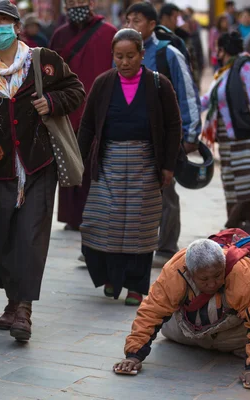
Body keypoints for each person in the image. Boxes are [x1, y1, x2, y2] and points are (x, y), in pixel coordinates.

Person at [0, 1, 85, 341]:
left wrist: (51, 103)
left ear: (17, 26)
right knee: (2, 236)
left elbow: (76, 90)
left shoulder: (42, 60)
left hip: (38, 164)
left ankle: (24, 310)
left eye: (2, 21)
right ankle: (11, 301)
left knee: (31, 236)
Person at [113, 232, 250, 390]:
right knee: (166, 325)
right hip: (186, 331)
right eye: (204, 280)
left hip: (231, 334)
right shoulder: (174, 271)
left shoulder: (243, 275)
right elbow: (151, 311)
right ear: (190, 273)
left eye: (217, 276)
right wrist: (133, 355)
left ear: (223, 265)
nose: (212, 283)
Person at [77, 29, 182, 306]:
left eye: (130, 56)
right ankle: (111, 278)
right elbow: (87, 125)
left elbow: (173, 126)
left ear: (141, 54)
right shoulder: (102, 83)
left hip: (145, 164)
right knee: (100, 224)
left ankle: (136, 287)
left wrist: (168, 166)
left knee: (139, 228)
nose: (124, 62)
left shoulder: (159, 85)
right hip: (109, 162)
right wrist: (79, 160)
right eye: (119, 56)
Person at [125, 2, 202, 268]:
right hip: (132, 136)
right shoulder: (124, 53)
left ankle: (166, 245)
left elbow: (188, 92)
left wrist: (191, 133)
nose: (130, 25)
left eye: (136, 20)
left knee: (165, 191)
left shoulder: (167, 53)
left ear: (151, 25)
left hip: (164, 137)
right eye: (128, 20)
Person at [50, 0, 117, 234]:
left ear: (91, 3)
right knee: (69, 164)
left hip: (100, 109)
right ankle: (71, 217)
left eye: (81, 1)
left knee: (94, 166)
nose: (76, 4)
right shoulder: (60, 35)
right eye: (71, 2)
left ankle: (95, 215)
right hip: (67, 110)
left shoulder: (110, 33)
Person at [201, 32, 250, 235]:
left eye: (218, 48)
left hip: (242, 133)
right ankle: (235, 220)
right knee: (229, 176)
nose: (216, 52)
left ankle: (248, 220)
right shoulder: (224, 71)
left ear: (223, 50)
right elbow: (209, 98)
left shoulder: (245, 66)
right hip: (225, 135)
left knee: (243, 176)